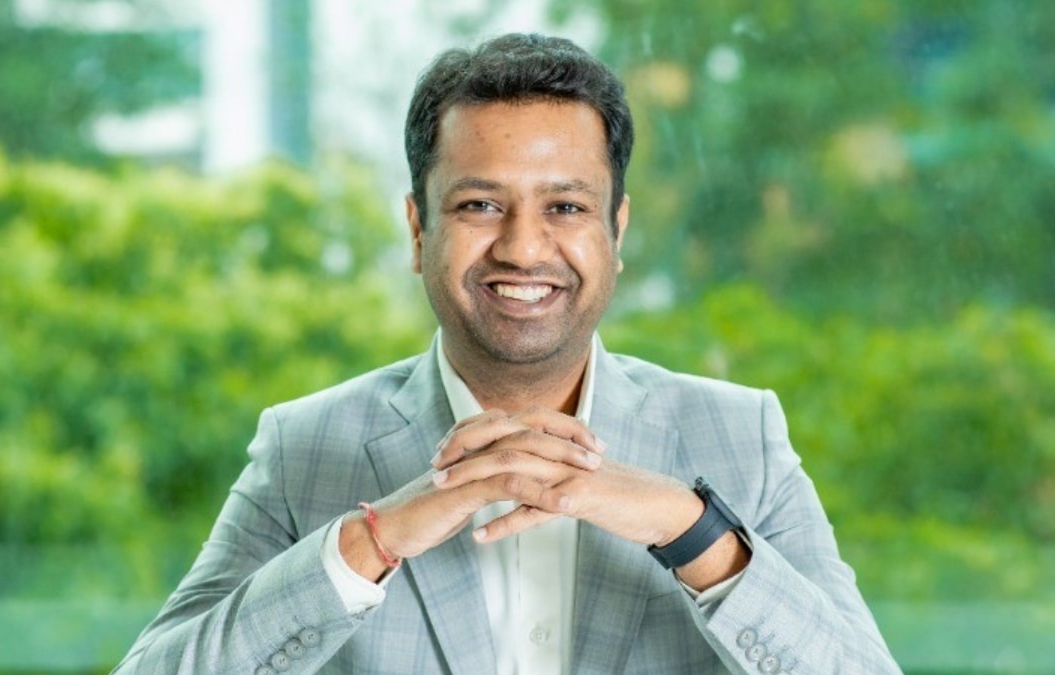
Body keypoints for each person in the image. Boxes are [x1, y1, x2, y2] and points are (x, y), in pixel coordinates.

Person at [114, 33, 901, 675]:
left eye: (566, 206)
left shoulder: (740, 436)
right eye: (481, 204)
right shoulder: (306, 446)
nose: (524, 248)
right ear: (418, 229)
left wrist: (691, 530)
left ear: (617, 231)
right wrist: (373, 540)